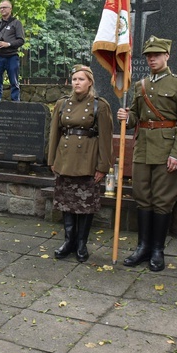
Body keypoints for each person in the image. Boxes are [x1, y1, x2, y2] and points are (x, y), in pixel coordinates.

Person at [116, 36, 177, 272]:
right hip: (143, 150)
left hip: (167, 151)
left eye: (157, 54)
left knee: (162, 201)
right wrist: (126, 118)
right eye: (149, 55)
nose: (152, 58)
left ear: (167, 56)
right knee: (142, 198)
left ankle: (157, 250)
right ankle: (143, 247)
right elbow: (136, 118)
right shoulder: (140, 86)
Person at [48, 65, 113, 262]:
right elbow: (54, 134)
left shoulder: (100, 105)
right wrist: (52, 159)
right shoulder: (62, 104)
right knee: (67, 203)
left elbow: (106, 138)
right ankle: (69, 241)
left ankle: (82, 243)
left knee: (85, 204)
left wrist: (103, 166)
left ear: (90, 82)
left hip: (87, 161)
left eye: (81, 79)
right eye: (74, 79)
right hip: (66, 159)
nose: (77, 82)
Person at [0, 0, 25, 111]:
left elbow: (21, 40)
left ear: (10, 9)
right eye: (0, 8)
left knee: (14, 82)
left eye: (4, 7)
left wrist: (8, 44)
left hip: (11, 56)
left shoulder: (16, 23)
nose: (2, 9)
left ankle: (15, 105)